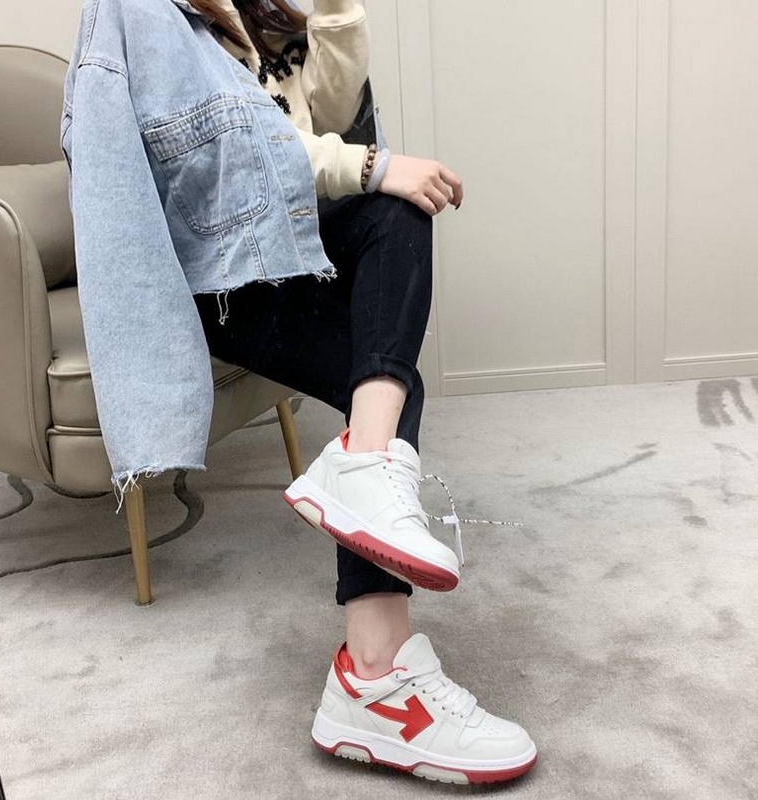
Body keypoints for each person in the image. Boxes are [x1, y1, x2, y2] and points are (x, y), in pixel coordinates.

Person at [182, 0, 537, 785]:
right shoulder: (160, 24)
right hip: (222, 278)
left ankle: (367, 485)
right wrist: (376, 165)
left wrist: (335, 9)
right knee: (388, 361)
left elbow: (336, 116)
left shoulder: (268, 17)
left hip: (287, 242)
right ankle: (374, 680)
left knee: (393, 244)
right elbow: (237, 163)